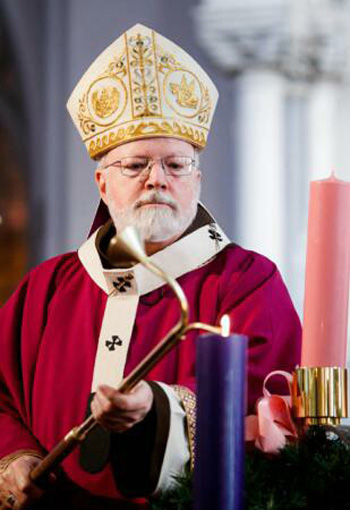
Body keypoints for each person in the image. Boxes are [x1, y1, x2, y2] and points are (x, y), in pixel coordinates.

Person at [0, 24, 301, 509]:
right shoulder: (47, 288)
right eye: (135, 165)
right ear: (102, 183)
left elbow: (268, 404)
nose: (156, 180)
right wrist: (12, 458)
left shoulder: (247, 282)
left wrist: (156, 409)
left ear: (197, 179)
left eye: (175, 165)